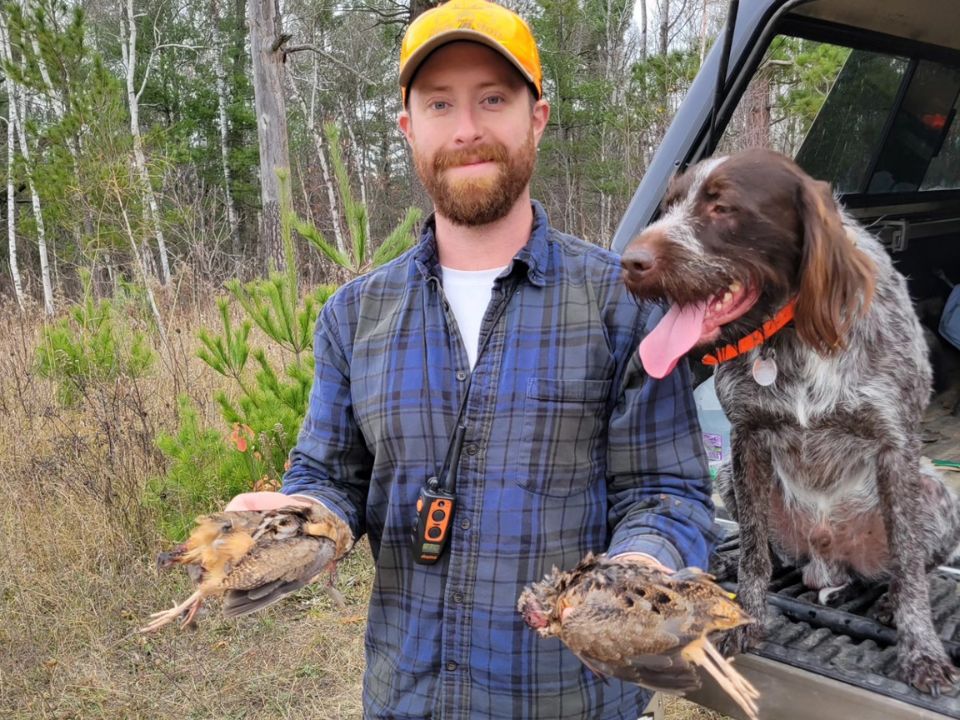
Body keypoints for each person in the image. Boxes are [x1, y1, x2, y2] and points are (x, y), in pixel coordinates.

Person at [226, 1, 718, 717]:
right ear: (408, 128)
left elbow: (666, 493)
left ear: (536, 118)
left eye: (492, 99)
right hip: (405, 698)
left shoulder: (623, 306)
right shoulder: (353, 316)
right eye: (439, 103)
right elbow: (331, 476)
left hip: (567, 700)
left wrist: (634, 573)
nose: (466, 129)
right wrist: (302, 517)